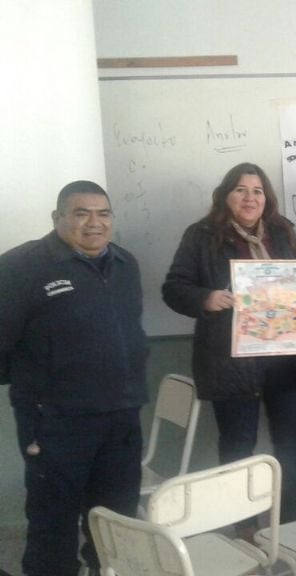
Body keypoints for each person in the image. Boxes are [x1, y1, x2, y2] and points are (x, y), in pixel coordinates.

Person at [0, 181, 148, 576]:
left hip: (121, 416)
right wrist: (38, 388)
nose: (94, 223)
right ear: (57, 218)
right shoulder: (21, 266)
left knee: (116, 519)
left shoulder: (126, 263)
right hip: (55, 422)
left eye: (103, 213)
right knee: (53, 520)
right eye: (81, 213)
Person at [162, 162, 296, 528]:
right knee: (237, 446)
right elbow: (173, 288)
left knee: (292, 444)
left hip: (285, 358)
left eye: (257, 191)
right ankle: (244, 526)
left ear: (267, 198)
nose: (250, 198)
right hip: (232, 362)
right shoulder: (201, 235)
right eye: (241, 190)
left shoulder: (282, 232)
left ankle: (292, 521)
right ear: (225, 196)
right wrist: (205, 298)